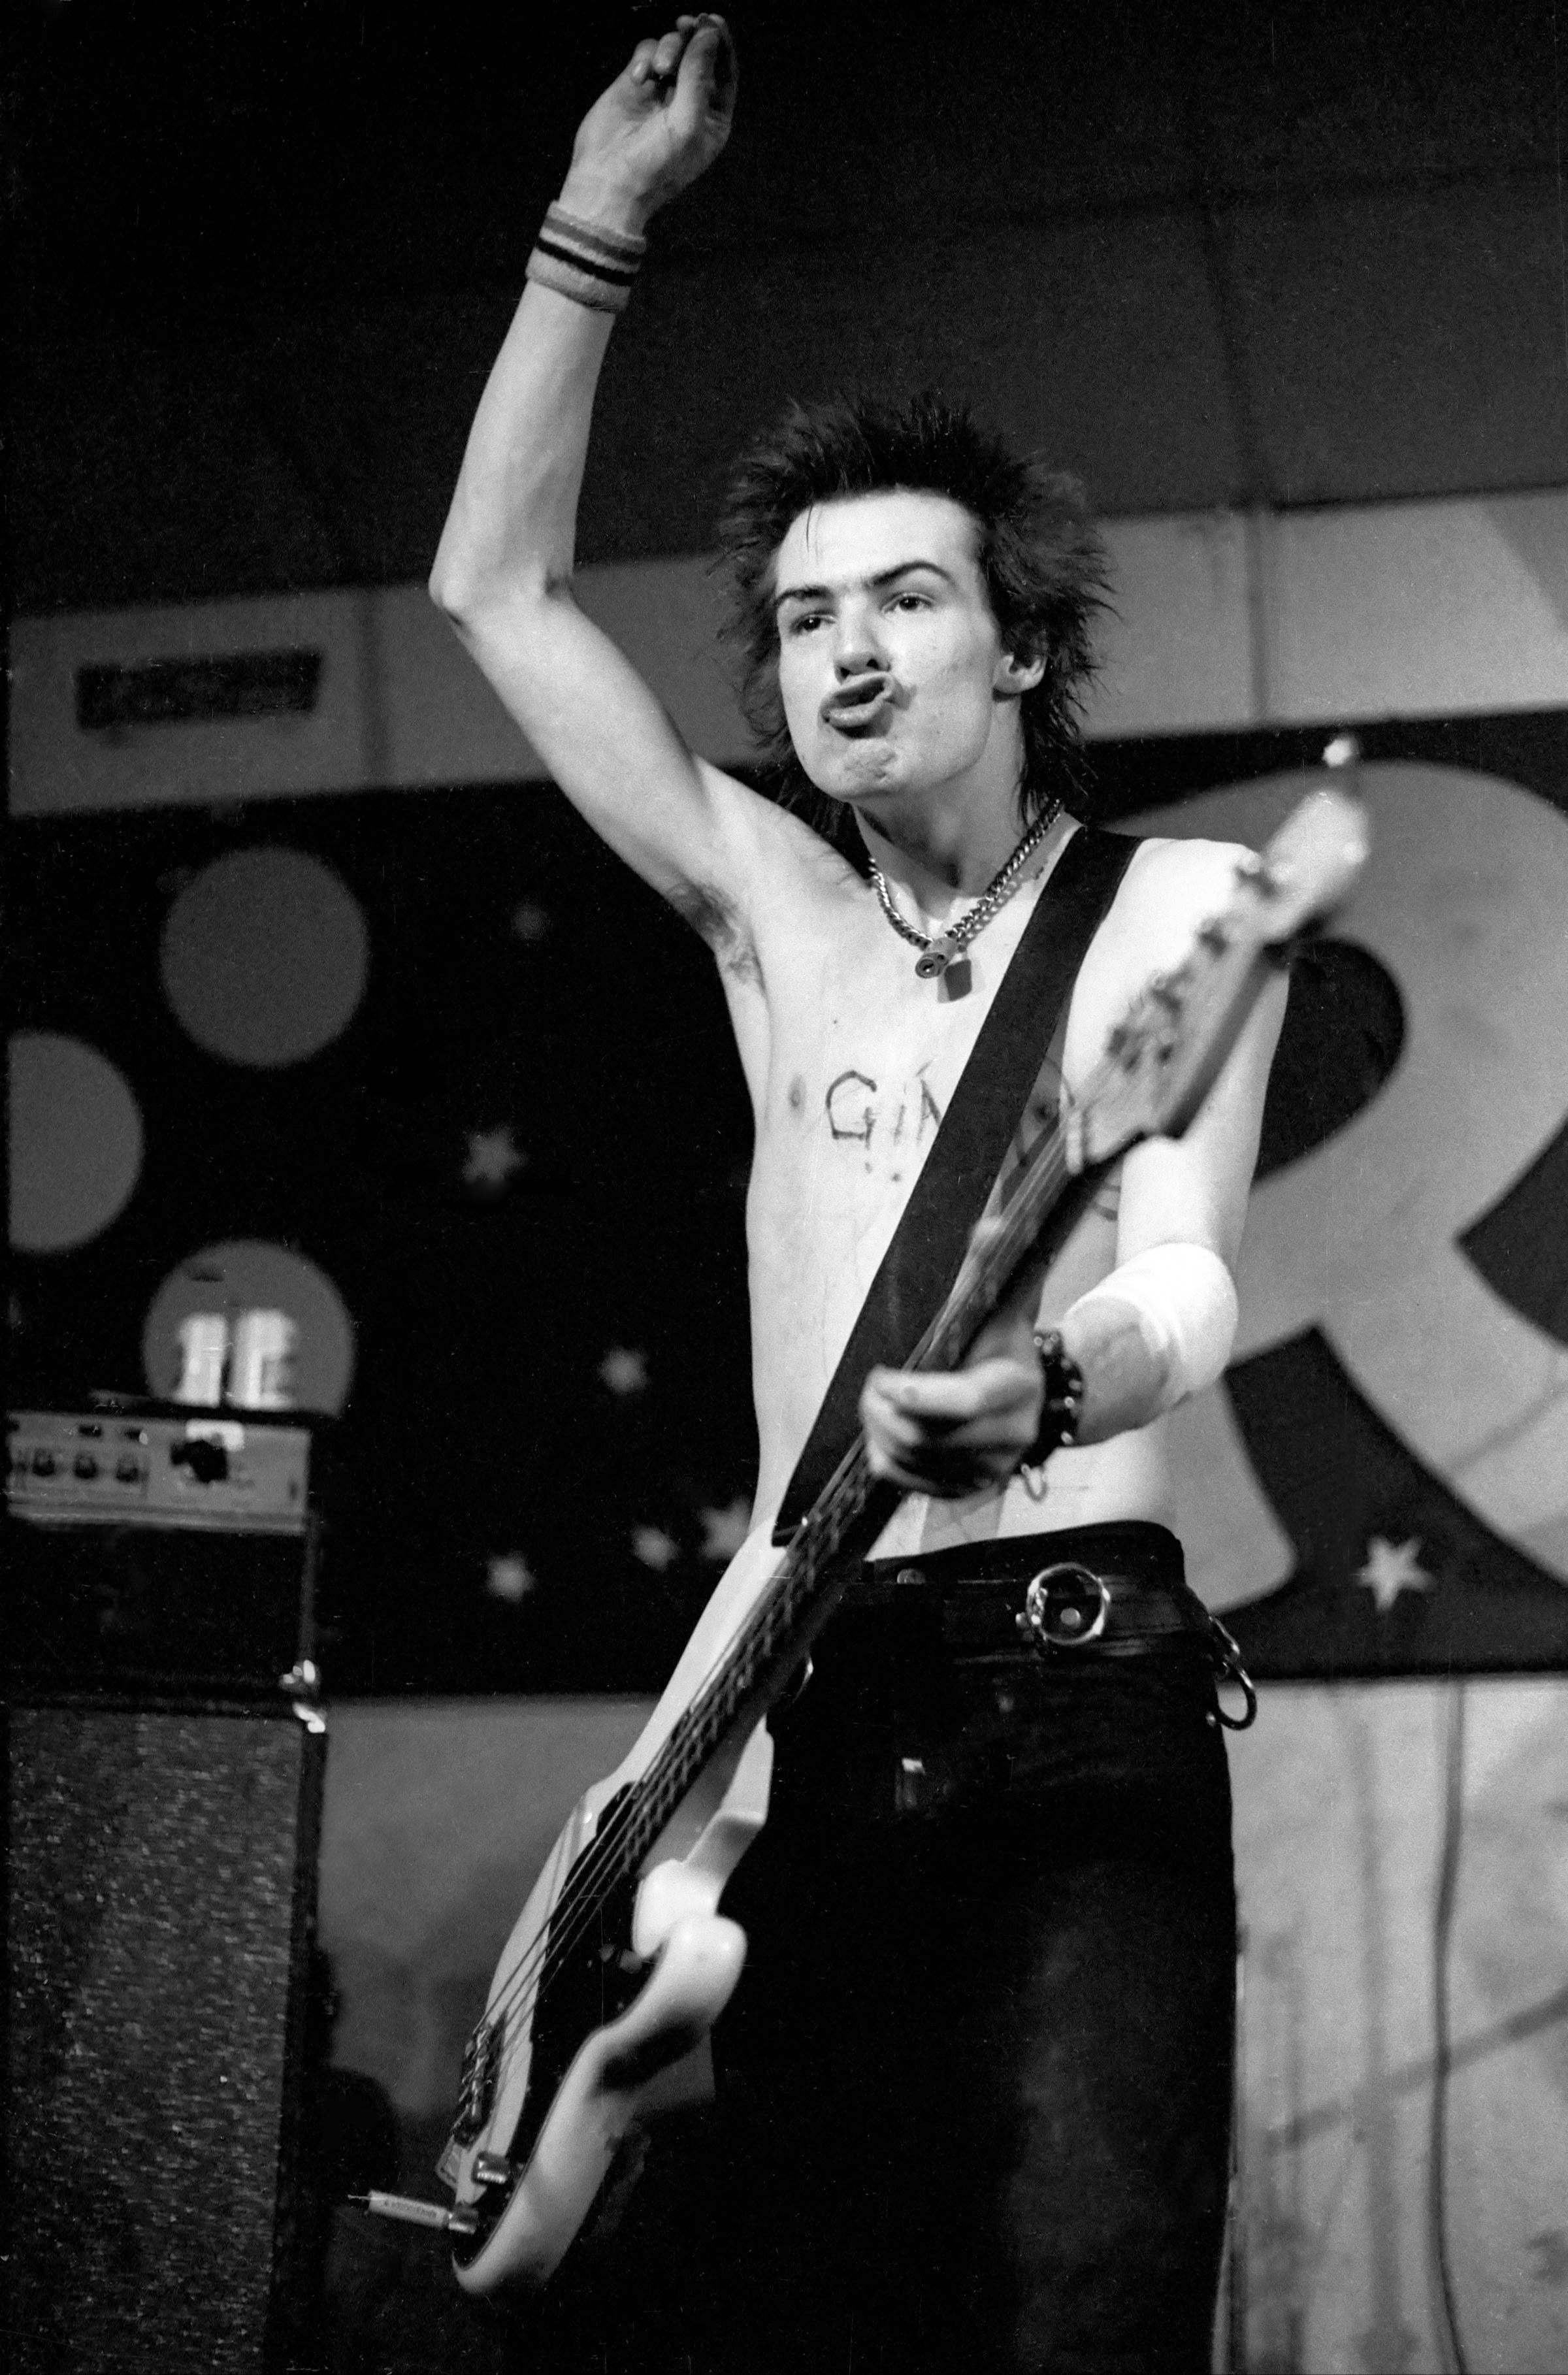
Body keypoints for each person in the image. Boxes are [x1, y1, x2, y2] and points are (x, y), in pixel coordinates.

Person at [431, 18, 1286, 2371]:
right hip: (810, 1684)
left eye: (899, 600)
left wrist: (1043, 1380)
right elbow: (492, 592)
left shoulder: (1186, 906)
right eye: (802, 620)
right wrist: (592, 231)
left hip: (1075, 1682)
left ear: (1019, 643)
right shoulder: (769, 914)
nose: (840, 651)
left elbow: (1194, 1283)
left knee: (1077, 2311)